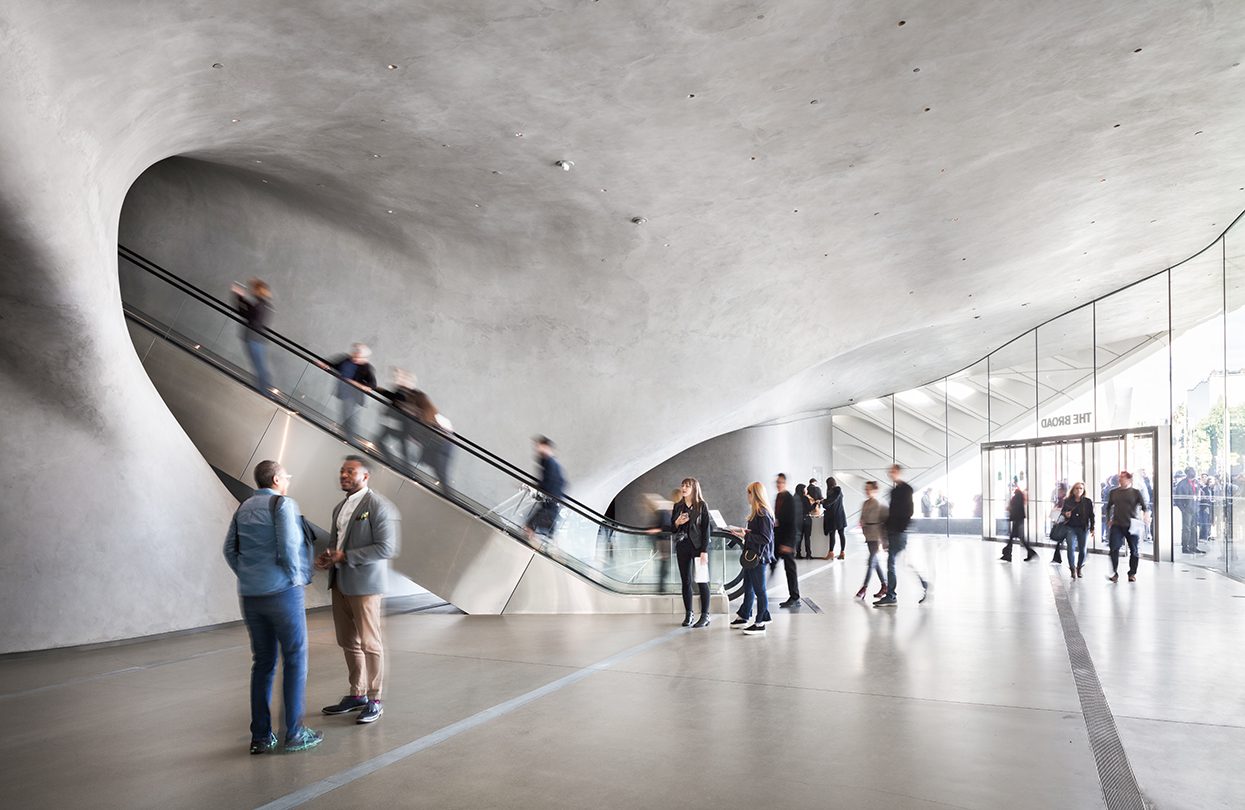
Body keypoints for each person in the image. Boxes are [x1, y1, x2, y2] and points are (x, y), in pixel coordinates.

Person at [223, 460, 322, 754]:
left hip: (251, 596)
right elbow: (289, 546)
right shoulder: (283, 504)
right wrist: (299, 578)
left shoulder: (243, 508)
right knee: (295, 659)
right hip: (282, 593)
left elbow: (229, 549)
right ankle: (294, 733)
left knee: (263, 663)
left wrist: (248, 575)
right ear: (277, 478)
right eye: (286, 477)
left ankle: (262, 737)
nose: (288, 481)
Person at [318, 456, 401, 725]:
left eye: (350, 471)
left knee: (370, 643)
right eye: (342, 470)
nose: (344, 475)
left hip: (365, 585)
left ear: (365, 477)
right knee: (347, 642)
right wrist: (328, 558)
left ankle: (375, 699)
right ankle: (357, 694)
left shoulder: (378, 506)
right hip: (339, 583)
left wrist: (346, 556)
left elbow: (387, 548)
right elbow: (335, 543)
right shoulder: (339, 507)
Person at [875, 464, 927, 606]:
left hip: (899, 531)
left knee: (892, 563)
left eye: (892, 471)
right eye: (889, 471)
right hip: (893, 531)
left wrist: (899, 528)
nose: (890, 474)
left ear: (898, 472)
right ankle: (923, 584)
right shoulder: (894, 491)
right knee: (901, 562)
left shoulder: (906, 490)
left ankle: (891, 595)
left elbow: (908, 511)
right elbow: (892, 512)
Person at [730, 481, 775, 635]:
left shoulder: (763, 513)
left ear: (754, 494)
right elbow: (757, 534)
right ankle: (744, 615)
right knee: (748, 587)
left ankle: (761, 621)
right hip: (752, 556)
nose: (747, 496)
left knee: (759, 590)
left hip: (758, 557)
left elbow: (765, 538)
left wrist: (746, 535)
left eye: (748, 493)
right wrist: (744, 533)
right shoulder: (757, 512)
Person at [672, 478, 712, 628]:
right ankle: (689, 613)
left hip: (697, 547)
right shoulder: (678, 506)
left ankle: (705, 615)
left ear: (694, 488)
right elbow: (672, 528)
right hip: (682, 546)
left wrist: (704, 551)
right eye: (682, 485)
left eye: (687, 486)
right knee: (686, 581)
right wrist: (677, 523)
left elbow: (706, 529)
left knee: (702, 581)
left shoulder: (701, 506)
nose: (683, 488)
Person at [318, 343, 378, 439]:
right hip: (343, 392)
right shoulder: (346, 359)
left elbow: (373, 384)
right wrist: (325, 365)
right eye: (355, 351)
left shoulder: (366, 367)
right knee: (345, 415)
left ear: (363, 356)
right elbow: (335, 365)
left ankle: (350, 438)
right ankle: (346, 436)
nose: (355, 354)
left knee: (350, 418)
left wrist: (360, 385)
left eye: (358, 353)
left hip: (353, 395)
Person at [231, 278, 275, 396]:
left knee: (259, 367)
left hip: (254, 339)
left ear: (257, 290)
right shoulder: (264, 304)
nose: (251, 291)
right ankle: (265, 392)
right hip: (257, 339)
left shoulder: (260, 305)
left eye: (253, 289)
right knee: (260, 367)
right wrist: (241, 298)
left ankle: (265, 393)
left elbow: (246, 314)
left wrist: (239, 297)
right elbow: (249, 312)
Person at [1106, 470, 1148, 583]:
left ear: (1129, 479)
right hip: (1117, 524)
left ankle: (1132, 573)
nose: (1120, 479)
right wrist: (1109, 519)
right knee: (1114, 548)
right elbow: (1109, 506)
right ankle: (1114, 573)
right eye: (1120, 477)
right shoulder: (1113, 492)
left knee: (1134, 550)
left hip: (1132, 524)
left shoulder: (1135, 492)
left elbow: (1144, 506)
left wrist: (1146, 516)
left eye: (1123, 477)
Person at [525, 436, 566, 541]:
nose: (537, 449)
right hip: (550, 502)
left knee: (530, 526)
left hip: (551, 503)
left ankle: (535, 547)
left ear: (546, 446)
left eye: (539, 446)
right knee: (546, 531)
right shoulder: (547, 461)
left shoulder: (550, 463)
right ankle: (544, 548)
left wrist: (536, 488)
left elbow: (553, 482)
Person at [856, 481, 889, 600]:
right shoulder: (865, 503)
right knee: (874, 562)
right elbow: (862, 518)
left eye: (869, 489)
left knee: (871, 562)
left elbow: (884, 522)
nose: (867, 491)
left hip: (876, 536)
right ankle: (885, 585)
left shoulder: (878, 504)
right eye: (866, 489)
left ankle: (864, 587)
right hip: (868, 535)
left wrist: (884, 540)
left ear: (875, 490)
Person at [772, 473, 800, 608]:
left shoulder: (789, 499)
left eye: (781, 482)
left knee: (790, 569)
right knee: (772, 563)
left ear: (785, 483)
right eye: (777, 482)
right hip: (779, 538)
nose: (779, 484)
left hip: (787, 540)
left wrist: (789, 544)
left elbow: (793, 522)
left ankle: (795, 597)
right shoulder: (778, 497)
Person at [1060, 481, 1094, 579]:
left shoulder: (1087, 501)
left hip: (1083, 528)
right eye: (1077, 488)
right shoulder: (1068, 500)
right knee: (1070, 547)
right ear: (1073, 490)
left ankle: (1079, 567)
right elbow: (1063, 512)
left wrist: (1092, 528)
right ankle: (1072, 568)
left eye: (1081, 488)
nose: (1079, 490)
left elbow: (1091, 515)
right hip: (1071, 527)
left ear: (1083, 490)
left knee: (1083, 549)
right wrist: (1066, 514)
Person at [1001, 485, 1035, 562]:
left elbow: (1014, 508)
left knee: (1018, 538)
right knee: (1016, 538)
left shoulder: (1016, 497)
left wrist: (1010, 510)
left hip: (1017, 520)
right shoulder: (1019, 497)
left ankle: (1008, 555)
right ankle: (1008, 555)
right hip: (1019, 519)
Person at [1174, 467, 1201, 554]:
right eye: (1191, 471)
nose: (1193, 472)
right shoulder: (1182, 484)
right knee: (1186, 528)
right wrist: (1183, 509)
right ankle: (1185, 547)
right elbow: (1178, 499)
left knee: (1194, 528)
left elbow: (1198, 495)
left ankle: (1193, 546)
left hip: (1195, 508)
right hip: (1187, 509)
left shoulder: (1196, 482)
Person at [822, 477, 847, 559]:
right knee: (840, 534)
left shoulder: (836, 490)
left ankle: (832, 552)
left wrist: (823, 502)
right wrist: (824, 501)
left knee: (833, 534)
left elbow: (829, 503)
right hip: (840, 515)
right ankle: (841, 552)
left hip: (834, 516)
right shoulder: (836, 491)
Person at [1050, 482, 1068, 565]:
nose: (1058, 492)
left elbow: (1063, 511)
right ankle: (1057, 558)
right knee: (1060, 541)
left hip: (1064, 523)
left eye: (1060, 491)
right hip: (1063, 522)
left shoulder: (1064, 500)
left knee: (1061, 540)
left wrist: (1058, 520)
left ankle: (1057, 558)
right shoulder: (1061, 499)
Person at [795, 482, 814, 561]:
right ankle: (808, 554)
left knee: (799, 538)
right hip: (806, 520)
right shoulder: (805, 498)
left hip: (797, 521)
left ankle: (798, 554)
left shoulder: (794, 498)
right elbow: (809, 509)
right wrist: (815, 504)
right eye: (805, 489)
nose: (806, 490)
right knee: (807, 538)